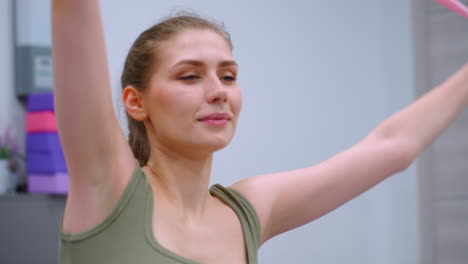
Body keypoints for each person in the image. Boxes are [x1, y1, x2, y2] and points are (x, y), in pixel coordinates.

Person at [52, 1, 468, 264]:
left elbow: (393, 146)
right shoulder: (107, 186)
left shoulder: (247, 210)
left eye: (228, 76)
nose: (218, 92)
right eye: (190, 76)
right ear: (135, 101)